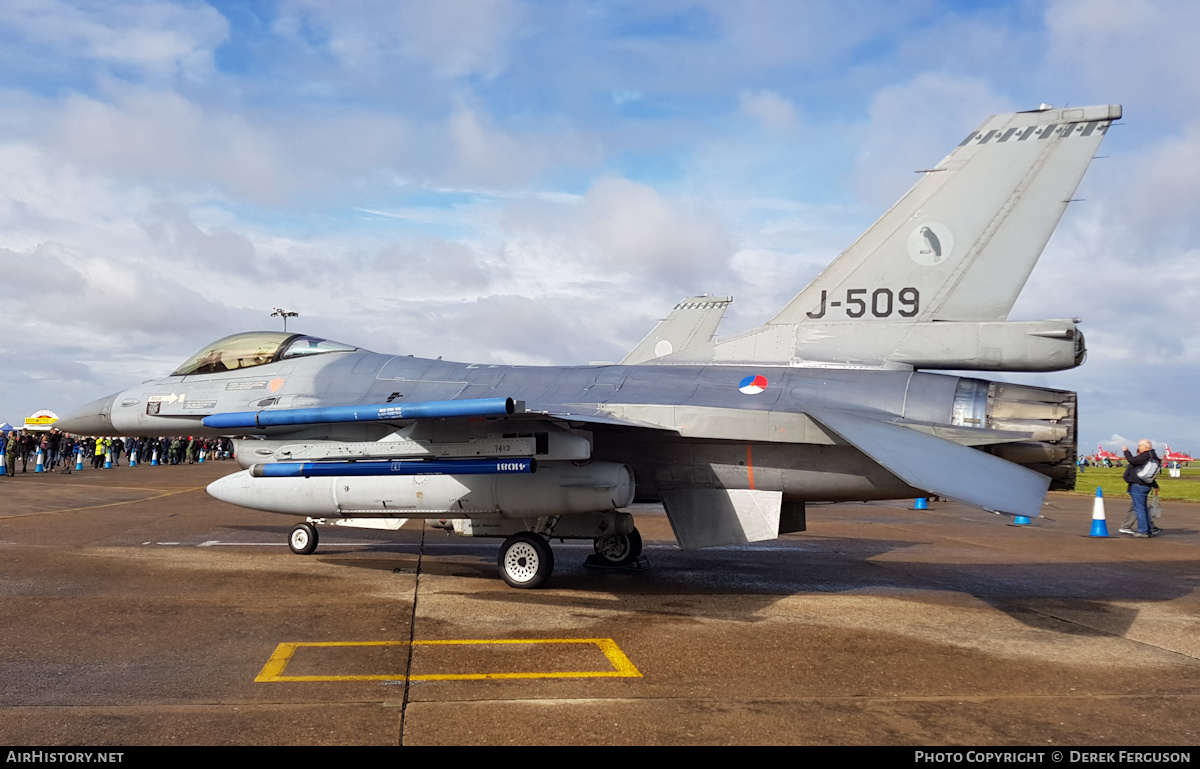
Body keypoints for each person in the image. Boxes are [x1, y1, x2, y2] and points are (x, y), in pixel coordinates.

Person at [1121, 440, 1161, 538]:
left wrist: (1126, 451)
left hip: (1139, 485)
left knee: (1140, 509)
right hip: (1146, 485)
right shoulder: (1153, 456)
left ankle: (1143, 531)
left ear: (1145, 446)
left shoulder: (1146, 455)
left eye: (1139, 445)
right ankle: (1148, 529)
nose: (1138, 447)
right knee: (1143, 509)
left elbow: (1132, 460)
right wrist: (1155, 485)